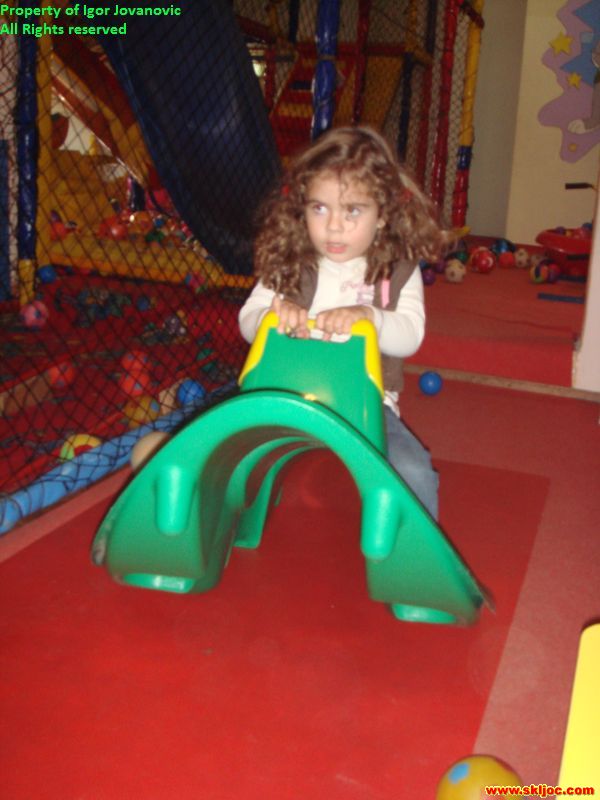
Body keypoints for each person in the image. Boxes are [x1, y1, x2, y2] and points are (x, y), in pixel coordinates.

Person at [238, 126, 453, 520]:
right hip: (285, 396)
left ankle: (414, 549)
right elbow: (248, 320)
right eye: (320, 209)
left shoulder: (395, 270)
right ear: (302, 207)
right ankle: (221, 513)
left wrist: (370, 317)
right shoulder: (291, 260)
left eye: (352, 210)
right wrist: (272, 317)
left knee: (412, 470)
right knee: (226, 454)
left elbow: (410, 335)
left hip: (366, 407)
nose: (334, 226)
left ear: (382, 214)